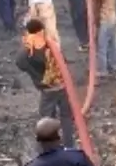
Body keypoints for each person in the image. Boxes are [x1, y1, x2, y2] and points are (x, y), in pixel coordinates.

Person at [16, 19, 75, 148]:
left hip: (48, 90)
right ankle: (69, 146)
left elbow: (20, 62)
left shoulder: (30, 48)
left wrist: (35, 75)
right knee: (66, 117)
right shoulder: (50, 44)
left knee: (47, 118)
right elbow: (63, 61)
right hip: (62, 86)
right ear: (42, 30)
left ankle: (49, 147)